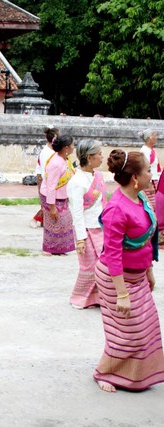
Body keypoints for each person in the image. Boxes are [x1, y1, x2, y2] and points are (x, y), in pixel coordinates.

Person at [93, 150, 164, 393]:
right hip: (116, 279)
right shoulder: (116, 209)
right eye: (147, 170)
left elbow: (146, 241)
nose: (151, 173)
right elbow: (112, 254)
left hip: (138, 275)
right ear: (135, 177)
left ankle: (136, 376)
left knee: (146, 327)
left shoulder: (141, 197)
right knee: (125, 333)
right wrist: (122, 294)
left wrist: (149, 271)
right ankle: (105, 373)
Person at [66, 140, 106, 309]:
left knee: (103, 266)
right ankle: (79, 297)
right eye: (99, 154)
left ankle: (99, 298)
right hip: (87, 230)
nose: (102, 157)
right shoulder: (77, 182)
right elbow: (77, 213)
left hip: (102, 228)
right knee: (89, 267)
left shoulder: (98, 176)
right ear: (90, 158)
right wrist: (81, 239)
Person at [39, 134, 76, 255]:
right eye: (72, 145)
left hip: (62, 196)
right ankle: (49, 248)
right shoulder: (56, 163)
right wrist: (52, 206)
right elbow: (51, 186)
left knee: (64, 223)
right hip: (51, 198)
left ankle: (60, 248)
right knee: (53, 223)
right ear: (66, 148)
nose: (73, 147)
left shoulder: (65, 160)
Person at [31, 126, 59, 228]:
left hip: (49, 178)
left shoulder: (53, 151)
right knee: (47, 201)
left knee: (49, 201)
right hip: (43, 177)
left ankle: (44, 221)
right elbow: (44, 171)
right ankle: (35, 218)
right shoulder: (46, 153)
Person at [138, 129, 160, 210]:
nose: (156, 137)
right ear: (149, 138)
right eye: (154, 135)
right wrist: (149, 184)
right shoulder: (145, 151)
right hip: (150, 181)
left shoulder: (151, 150)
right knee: (151, 206)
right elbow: (145, 168)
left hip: (154, 180)